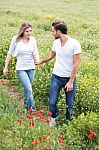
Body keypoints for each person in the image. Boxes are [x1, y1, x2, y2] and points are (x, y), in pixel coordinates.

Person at [35, 20, 81, 127]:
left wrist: (70, 81)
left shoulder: (75, 43)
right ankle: (54, 117)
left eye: (53, 31)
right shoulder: (56, 43)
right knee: (52, 102)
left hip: (69, 79)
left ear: (58, 32)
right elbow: (51, 55)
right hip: (56, 77)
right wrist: (41, 61)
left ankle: (68, 124)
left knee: (70, 105)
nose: (52, 33)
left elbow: (76, 64)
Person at [3, 23, 40, 111]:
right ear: (22, 31)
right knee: (29, 89)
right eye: (27, 31)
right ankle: (33, 110)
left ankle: (26, 107)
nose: (29, 33)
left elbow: (35, 52)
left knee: (28, 89)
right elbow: (10, 53)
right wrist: (6, 67)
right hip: (21, 68)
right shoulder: (16, 40)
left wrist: (38, 60)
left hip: (31, 68)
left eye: (30, 31)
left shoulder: (33, 40)